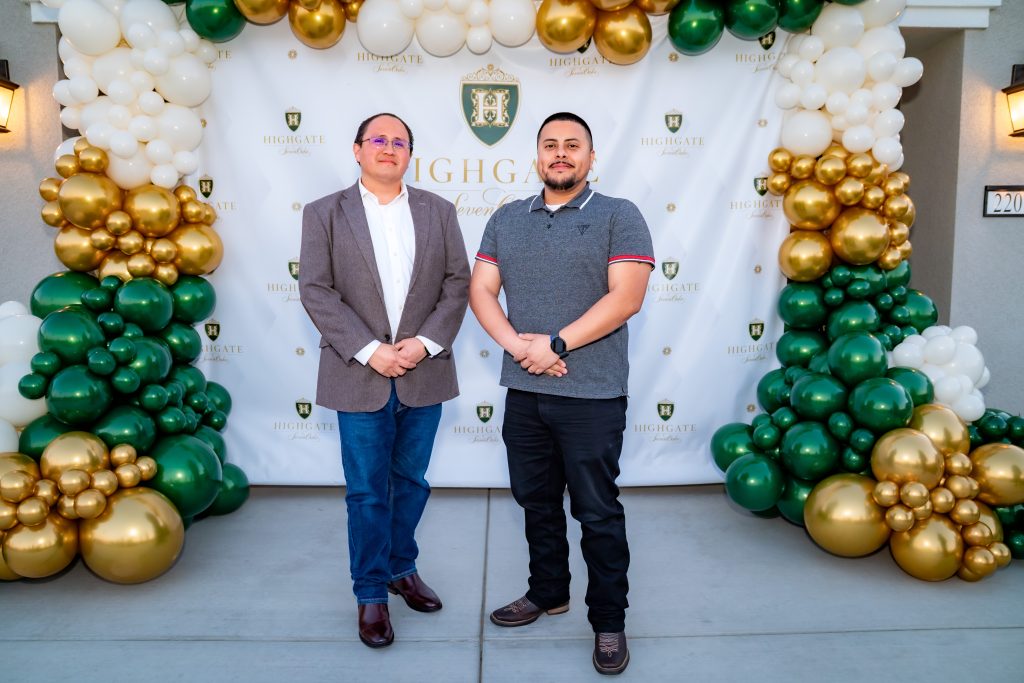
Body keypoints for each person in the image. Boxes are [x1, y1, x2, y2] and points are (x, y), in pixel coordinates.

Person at [469, 112, 654, 675]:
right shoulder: (506, 218)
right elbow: (481, 289)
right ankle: (548, 592)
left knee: (597, 512)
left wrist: (555, 344)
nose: (561, 153)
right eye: (550, 145)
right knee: (536, 501)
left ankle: (609, 622)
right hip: (524, 393)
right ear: (537, 157)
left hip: (593, 396)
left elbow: (626, 298)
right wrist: (522, 349)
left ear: (591, 158)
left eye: (573, 145)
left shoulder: (620, 216)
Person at [299, 112, 470, 649]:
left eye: (399, 141)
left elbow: (457, 283)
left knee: (413, 483)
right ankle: (370, 593)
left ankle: (401, 568)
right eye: (379, 139)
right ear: (357, 150)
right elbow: (316, 290)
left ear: (409, 154)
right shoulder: (324, 213)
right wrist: (372, 351)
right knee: (368, 491)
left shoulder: (439, 212)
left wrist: (423, 344)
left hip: (425, 372)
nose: (389, 148)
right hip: (359, 374)